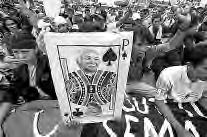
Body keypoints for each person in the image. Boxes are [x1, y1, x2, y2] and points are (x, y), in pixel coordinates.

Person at [155, 45, 207, 137]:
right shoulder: (168, 75)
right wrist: (180, 130)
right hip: (170, 109)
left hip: (191, 109)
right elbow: (159, 101)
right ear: (190, 66)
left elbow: (203, 97)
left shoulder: (204, 79)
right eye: (205, 69)